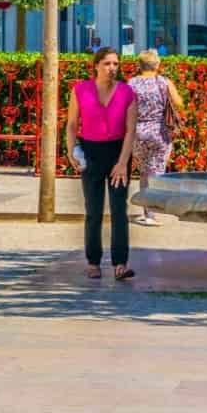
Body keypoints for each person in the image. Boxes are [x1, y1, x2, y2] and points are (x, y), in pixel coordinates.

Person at [66, 46, 137, 280]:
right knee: (93, 210)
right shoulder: (80, 90)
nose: (112, 68)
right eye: (107, 63)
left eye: (115, 64)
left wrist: (122, 162)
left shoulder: (127, 93)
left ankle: (120, 263)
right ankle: (93, 262)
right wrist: (70, 151)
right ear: (96, 65)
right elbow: (72, 124)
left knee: (119, 210)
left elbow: (130, 130)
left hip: (118, 152)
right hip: (91, 151)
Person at [128, 49, 183, 225]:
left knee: (144, 171)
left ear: (139, 65)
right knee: (157, 172)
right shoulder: (163, 82)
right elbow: (179, 103)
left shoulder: (132, 83)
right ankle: (152, 212)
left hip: (139, 132)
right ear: (157, 65)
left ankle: (147, 212)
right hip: (160, 132)